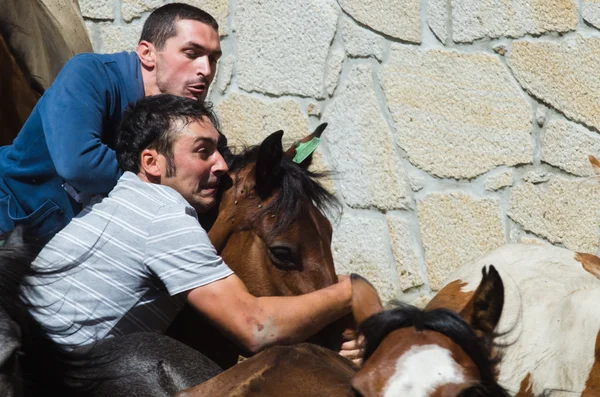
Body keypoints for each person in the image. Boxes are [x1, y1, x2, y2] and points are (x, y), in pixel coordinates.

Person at [23, 94, 354, 362]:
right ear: (151, 162)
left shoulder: (118, 202)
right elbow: (253, 327)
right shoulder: (164, 218)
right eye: (203, 152)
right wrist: (350, 291)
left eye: (217, 150)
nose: (222, 164)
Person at [0, 3, 223, 242]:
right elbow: (80, 164)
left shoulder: (185, 110)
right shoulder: (89, 74)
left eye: (213, 58)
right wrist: (174, 179)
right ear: (147, 53)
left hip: (79, 247)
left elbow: (218, 165)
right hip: (12, 226)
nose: (206, 70)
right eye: (192, 54)